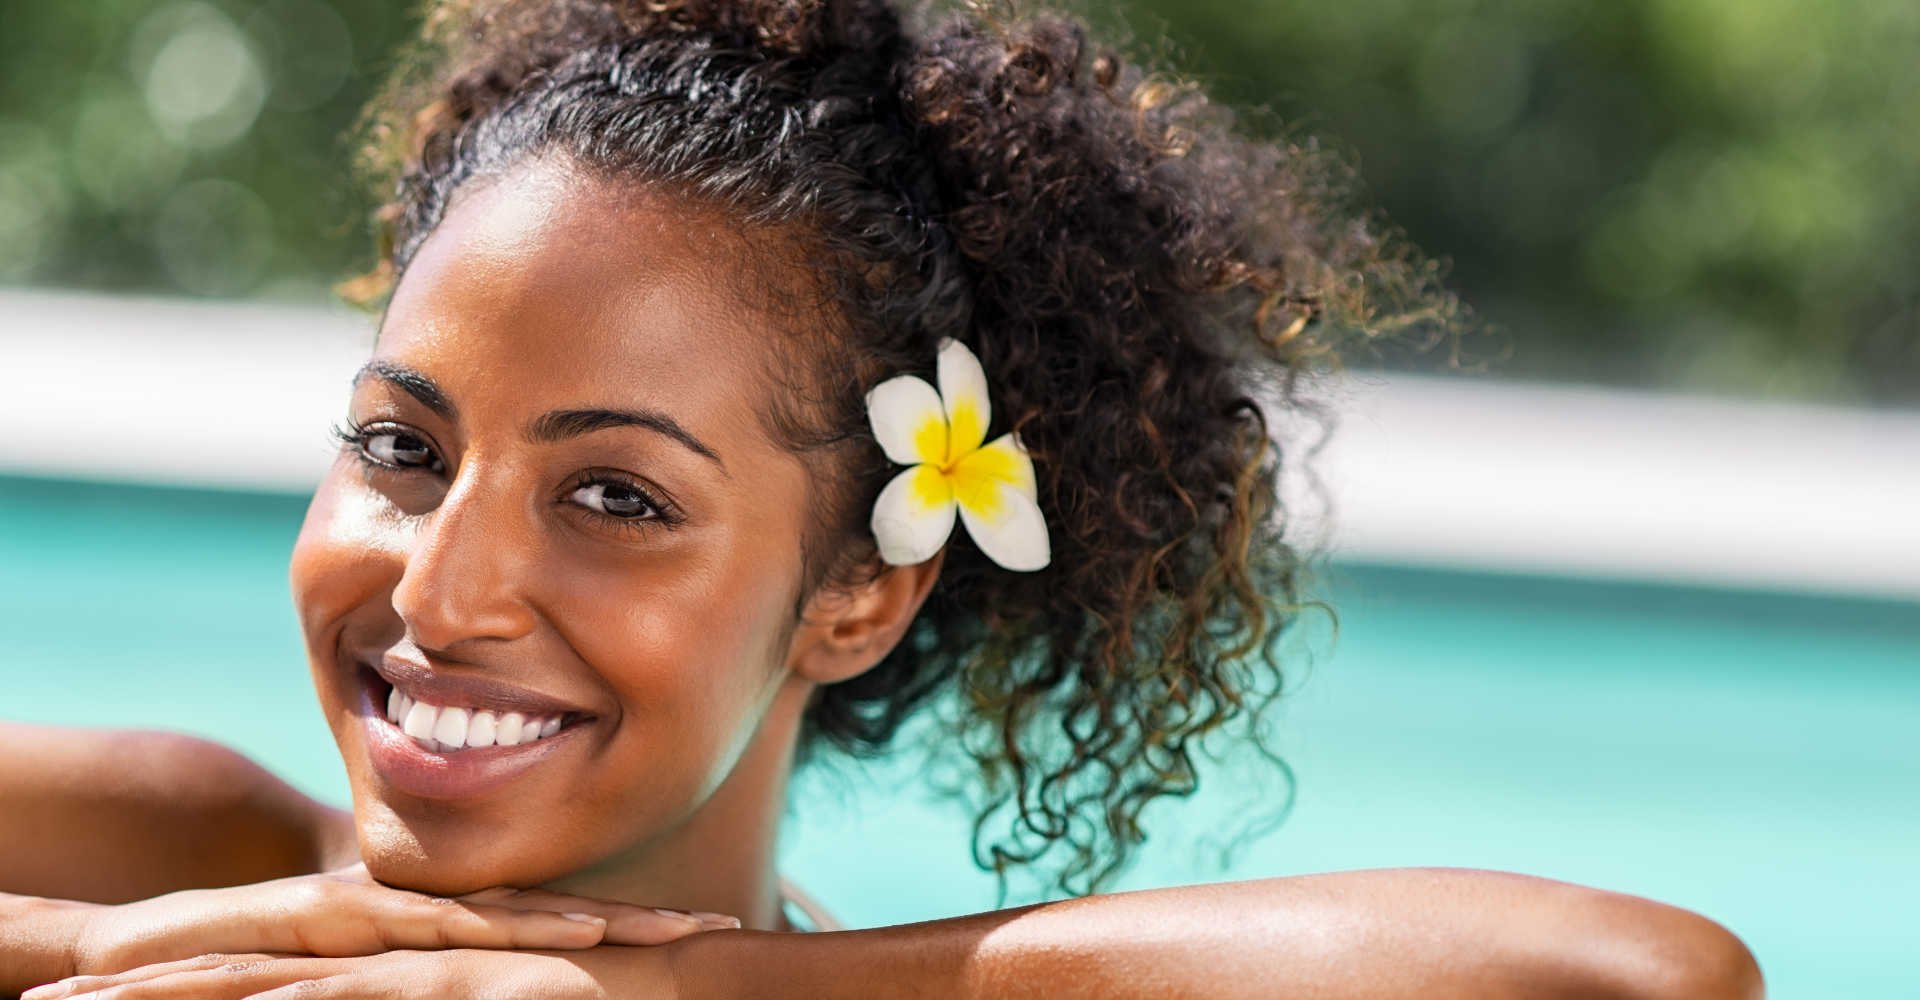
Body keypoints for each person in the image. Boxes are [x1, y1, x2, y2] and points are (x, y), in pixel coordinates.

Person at [0, 0, 1763, 996]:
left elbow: (1635, 980)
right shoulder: (188, 863)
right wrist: (91, 948)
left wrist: (661, 985)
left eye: (613, 495)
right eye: (403, 449)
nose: (439, 591)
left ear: (859, 590)